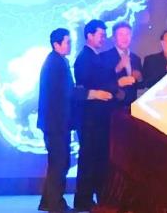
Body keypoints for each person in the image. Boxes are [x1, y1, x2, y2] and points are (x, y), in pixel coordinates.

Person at [37, 28, 112, 213]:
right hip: (56, 123)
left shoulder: (57, 61)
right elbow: (68, 92)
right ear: (56, 44)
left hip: (56, 123)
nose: (70, 45)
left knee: (57, 162)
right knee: (60, 163)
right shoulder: (56, 63)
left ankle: (47, 201)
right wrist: (94, 93)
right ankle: (56, 205)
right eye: (67, 42)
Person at [73, 20, 116, 211]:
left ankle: (96, 197)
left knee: (98, 159)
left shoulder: (95, 56)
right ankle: (84, 200)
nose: (103, 38)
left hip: (98, 119)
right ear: (89, 35)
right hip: (89, 119)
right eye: (100, 34)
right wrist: (98, 93)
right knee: (89, 160)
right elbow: (82, 89)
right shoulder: (84, 58)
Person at [100, 22, 143, 106]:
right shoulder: (103, 57)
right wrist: (117, 68)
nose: (125, 38)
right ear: (114, 38)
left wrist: (140, 78)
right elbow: (101, 83)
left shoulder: (136, 58)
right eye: (121, 34)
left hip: (132, 106)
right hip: (111, 107)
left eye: (127, 34)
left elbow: (140, 85)